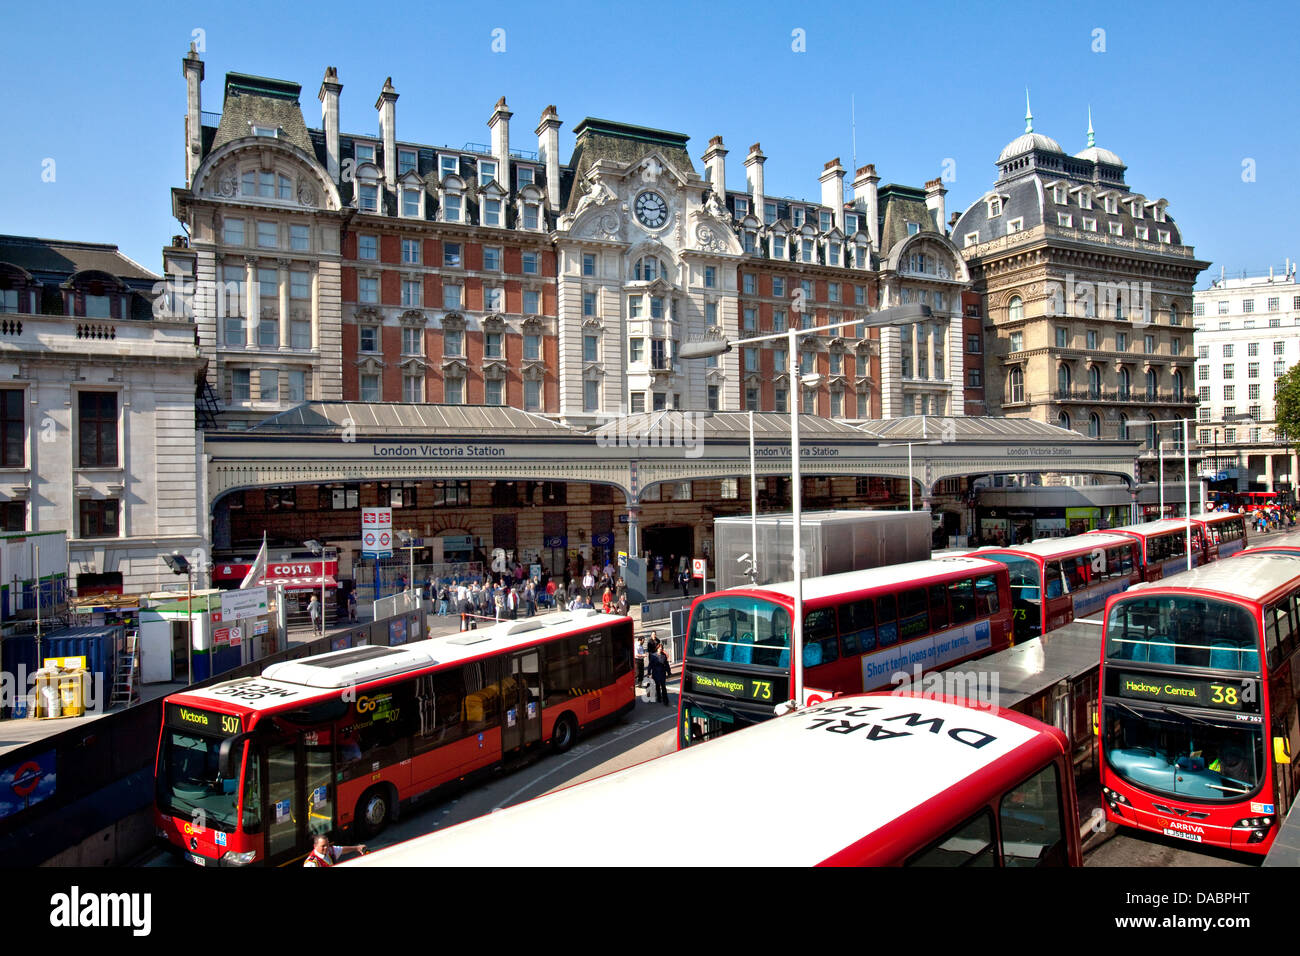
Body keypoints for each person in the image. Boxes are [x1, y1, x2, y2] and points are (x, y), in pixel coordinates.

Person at [648, 638, 670, 707]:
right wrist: (649, 672)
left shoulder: (664, 656)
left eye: (661, 649)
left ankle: (665, 700)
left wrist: (669, 671)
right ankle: (659, 697)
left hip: (662, 673)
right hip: (656, 673)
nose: (660, 650)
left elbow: (666, 664)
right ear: (657, 649)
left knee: (663, 687)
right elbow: (650, 665)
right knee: (657, 686)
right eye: (659, 649)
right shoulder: (653, 656)